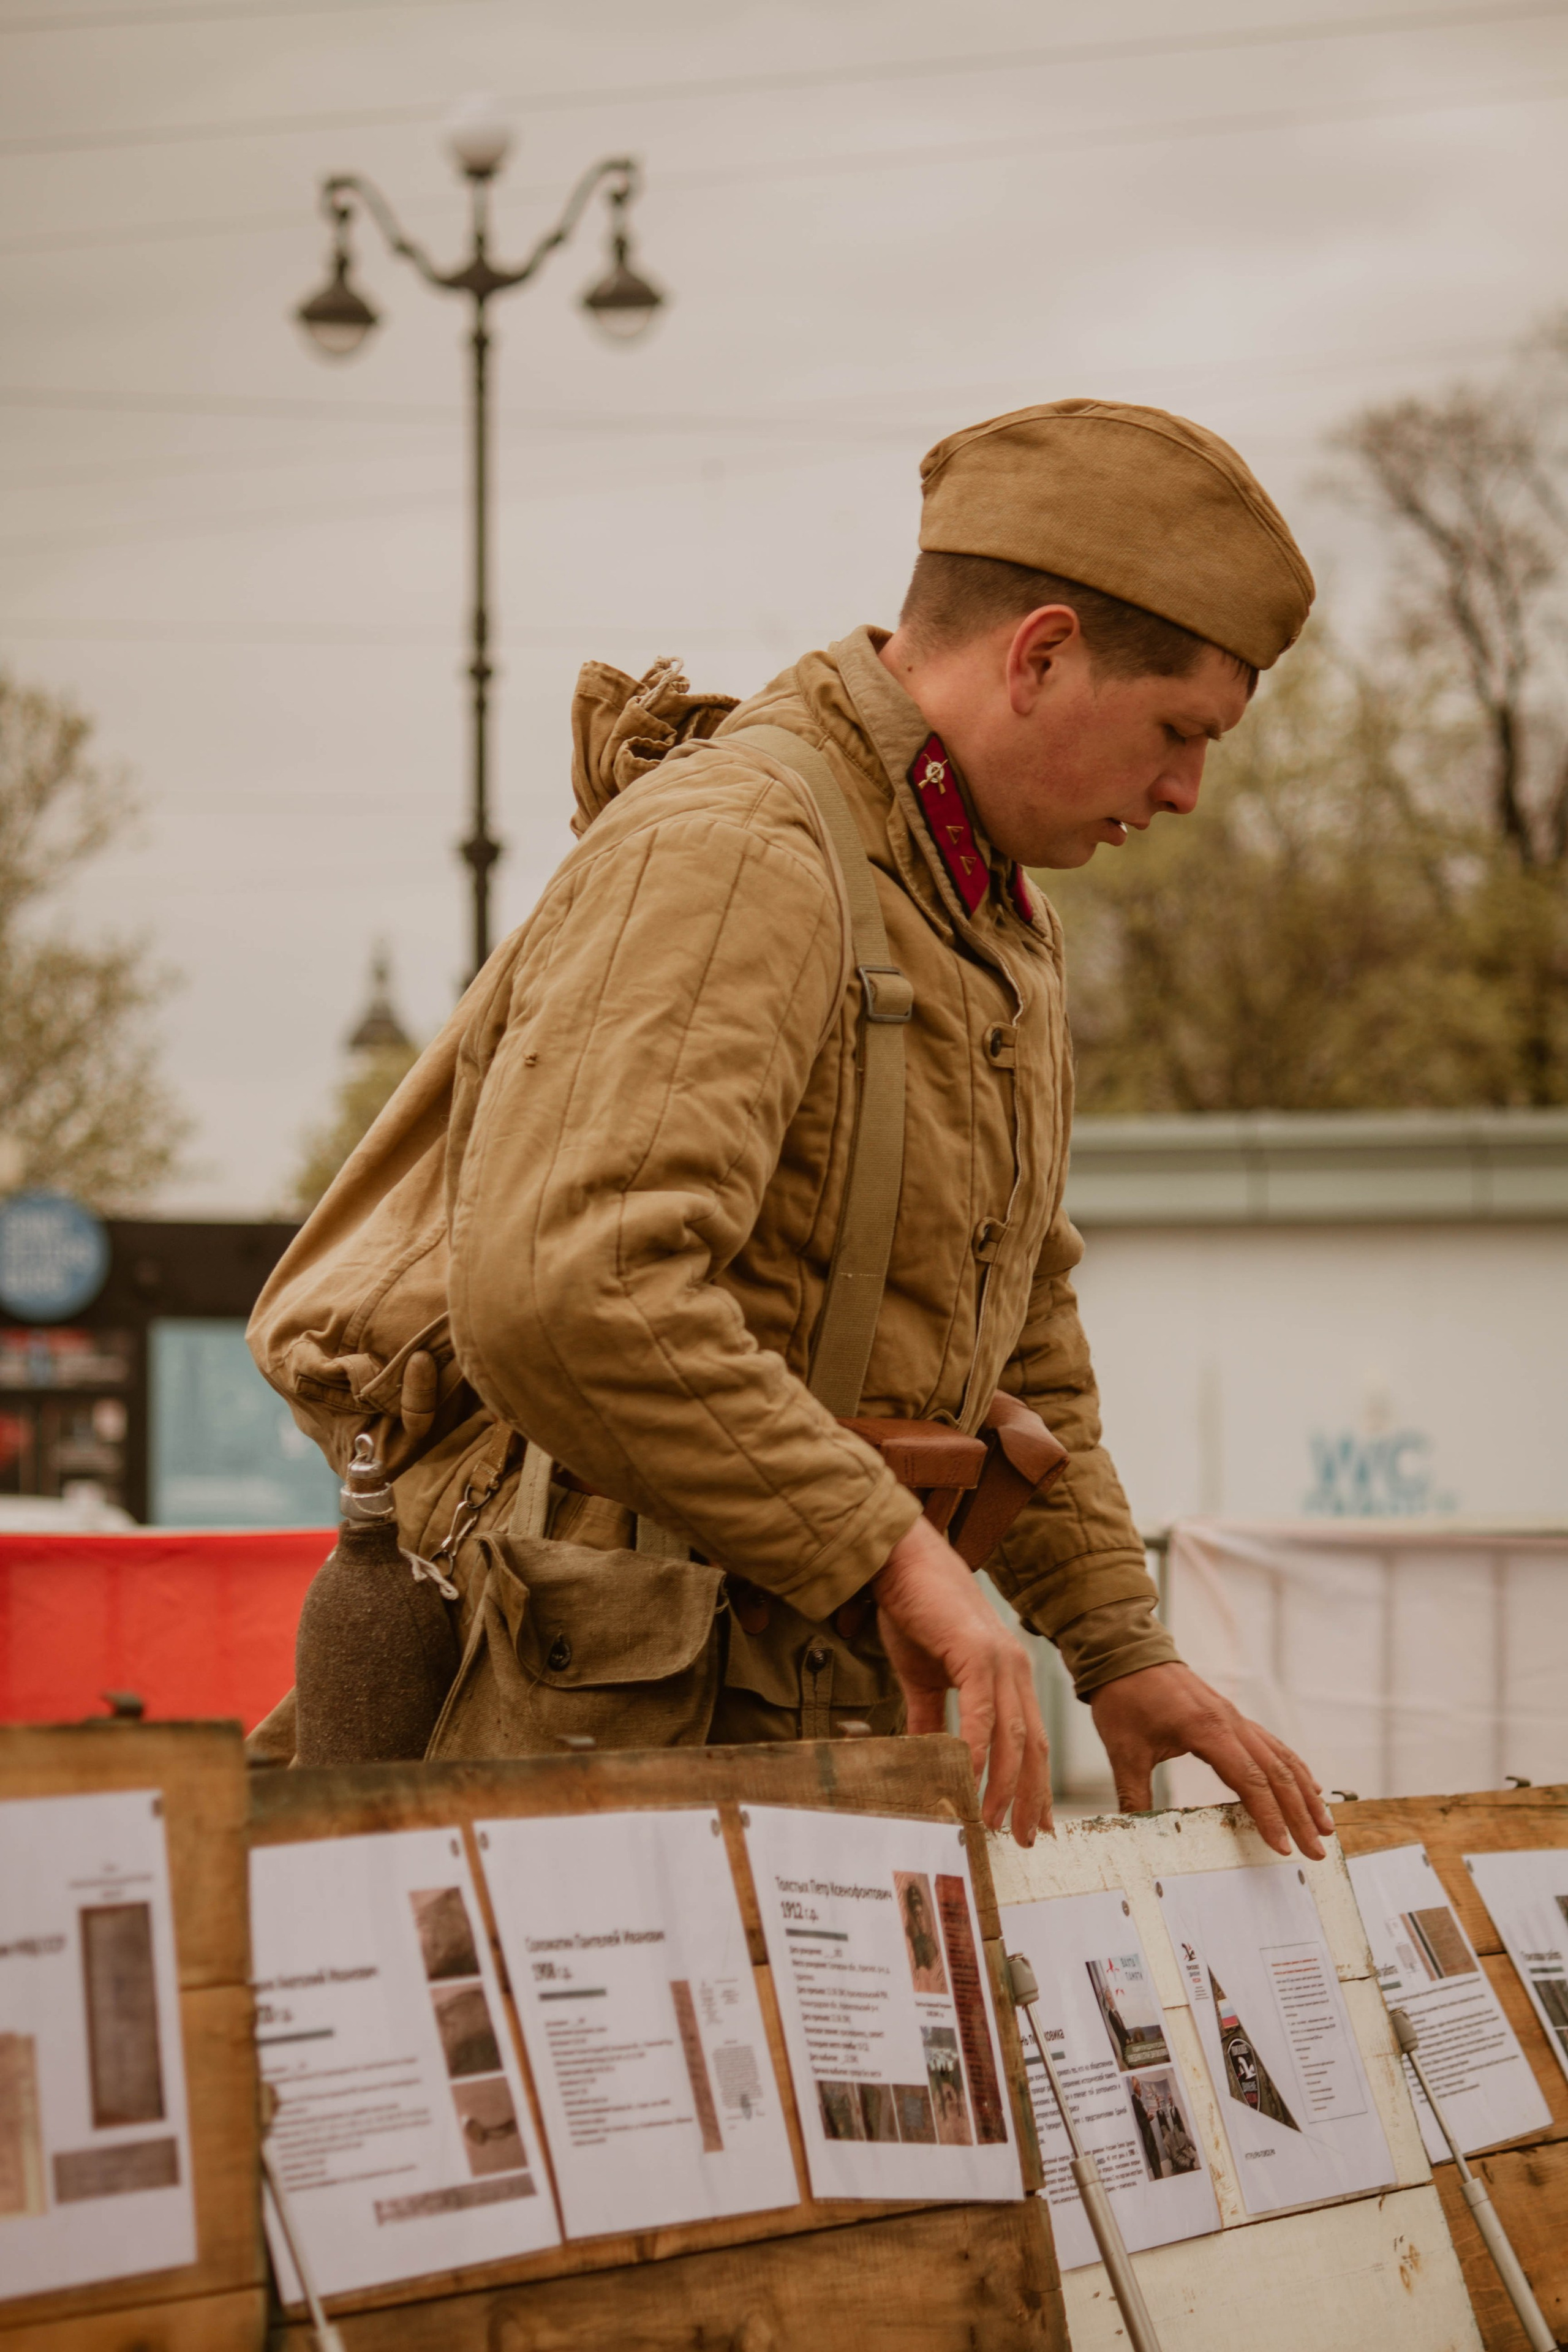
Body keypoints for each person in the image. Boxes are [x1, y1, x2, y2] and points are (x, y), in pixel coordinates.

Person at [250, 398, 1331, 1863]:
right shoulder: (739, 848)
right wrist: (889, 1554)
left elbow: (1022, 1333)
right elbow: (571, 1293)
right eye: (1175, 732)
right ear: (1041, 652)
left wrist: (1116, 1646)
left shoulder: (990, 914)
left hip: (792, 1724)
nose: (1183, 792)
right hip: (611, 1752)